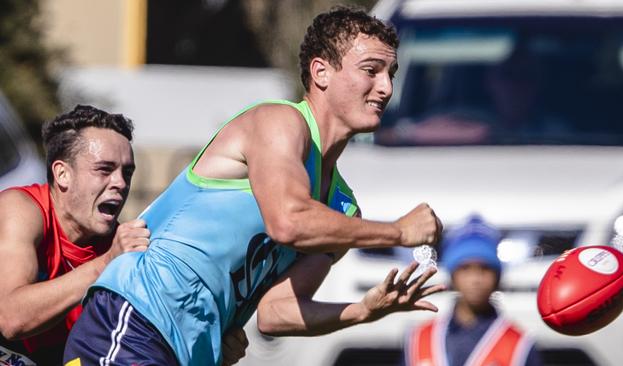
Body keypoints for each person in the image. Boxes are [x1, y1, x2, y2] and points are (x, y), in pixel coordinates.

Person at [63, 5, 445, 366]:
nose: (386, 88)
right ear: (321, 72)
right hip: (135, 321)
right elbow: (288, 222)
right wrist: (397, 232)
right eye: (371, 70)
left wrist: (362, 310)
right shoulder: (279, 123)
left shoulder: (343, 211)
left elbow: (276, 313)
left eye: (391, 74)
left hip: (186, 351)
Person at [0, 105, 149, 365]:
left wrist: (216, 347)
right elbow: (11, 319)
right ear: (62, 174)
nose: (121, 183)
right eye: (104, 169)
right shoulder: (21, 210)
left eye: (127, 172)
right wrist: (105, 264)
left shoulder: (121, 249)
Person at [405, 215, 542, 366]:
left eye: (485, 269)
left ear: (497, 277)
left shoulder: (520, 345)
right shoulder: (419, 338)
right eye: (465, 269)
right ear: (452, 275)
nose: (475, 279)